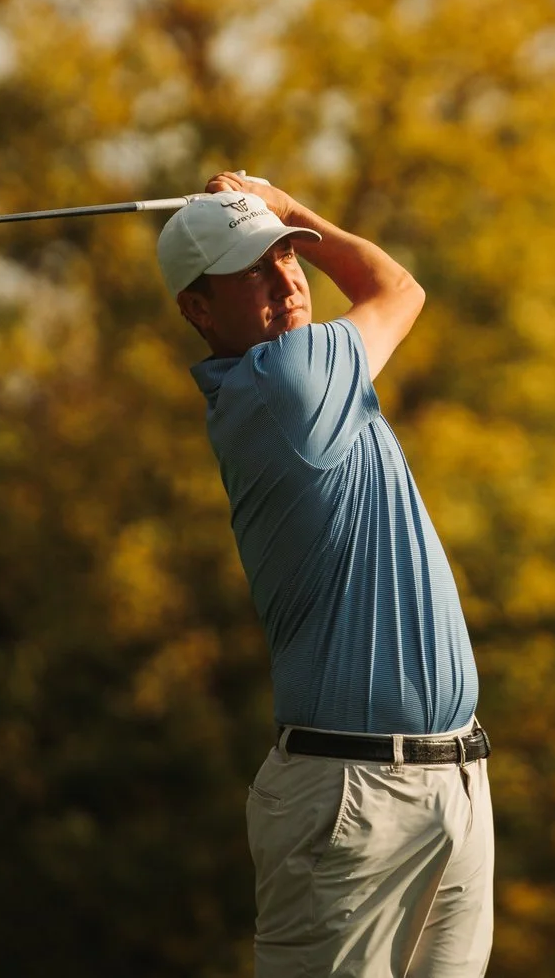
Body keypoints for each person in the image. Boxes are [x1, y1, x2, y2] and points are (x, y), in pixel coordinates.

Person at [164, 171, 491, 978]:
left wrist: (278, 220)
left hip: (451, 781)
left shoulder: (302, 374)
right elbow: (398, 288)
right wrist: (289, 206)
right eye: (252, 271)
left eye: (288, 256)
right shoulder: (289, 380)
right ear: (199, 309)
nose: (286, 283)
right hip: (351, 798)